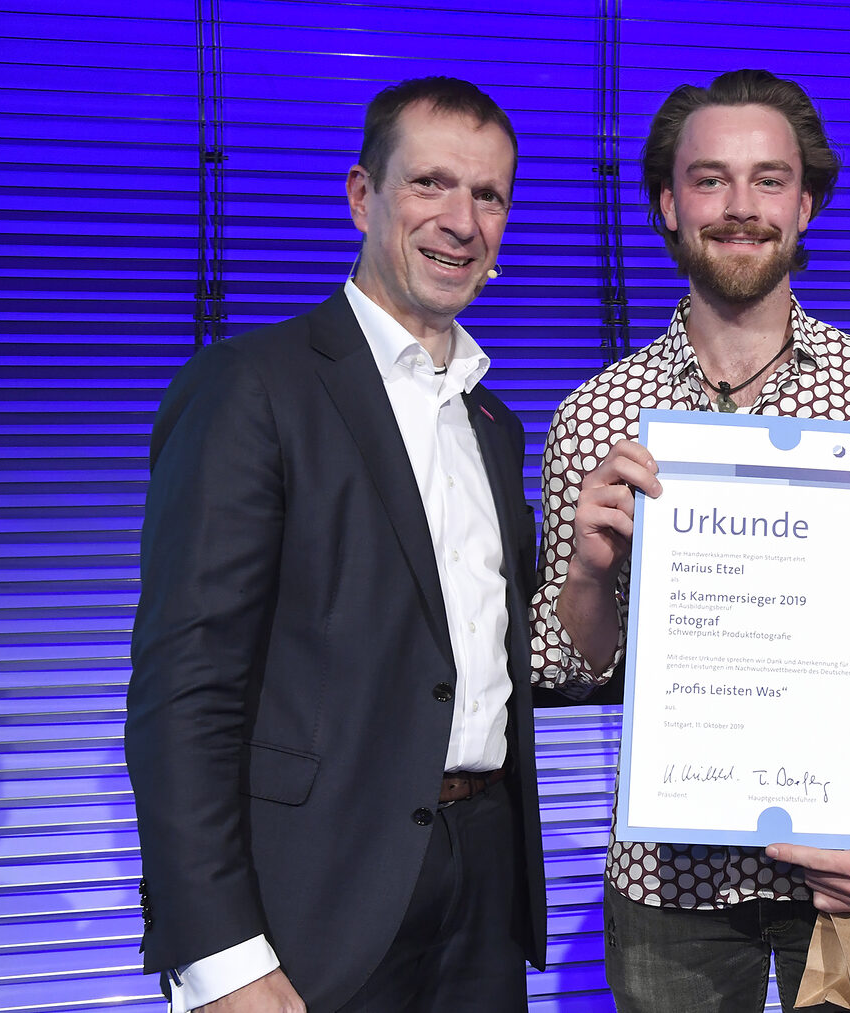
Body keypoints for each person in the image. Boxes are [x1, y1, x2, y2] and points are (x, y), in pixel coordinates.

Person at [529, 69, 850, 1013]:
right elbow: (572, 664)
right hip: (669, 891)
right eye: (709, 180)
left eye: (767, 180)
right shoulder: (596, 417)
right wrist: (589, 570)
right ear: (669, 204)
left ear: (806, 202)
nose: (739, 207)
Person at [126, 77, 544, 1012]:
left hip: (480, 890)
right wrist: (221, 954)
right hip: (312, 897)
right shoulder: (250, 387)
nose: (462, 221)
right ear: (363, 196)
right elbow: (184, 690)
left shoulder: (497, 423)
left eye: (489, 195)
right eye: (432, 183)